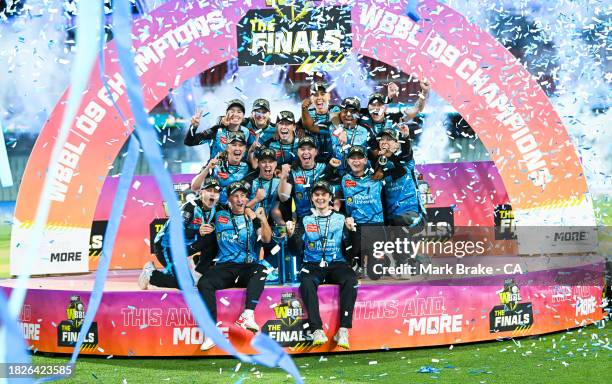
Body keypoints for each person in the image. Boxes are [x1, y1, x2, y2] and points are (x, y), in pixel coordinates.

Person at [197, 181, 272, 351]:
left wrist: (263, 220)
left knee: (261, 269)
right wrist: (201, 228)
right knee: (204, 283)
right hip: (225, 267)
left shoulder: (253, 217)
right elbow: (204, 205)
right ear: (229, 199)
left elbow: (267, 240)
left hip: (247, 267)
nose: (240, 199)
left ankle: (248, 314)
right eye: (236, 196)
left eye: (243, 196)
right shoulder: (219, 214)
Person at [290, 180, 358, 349]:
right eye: (316, 195)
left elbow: (351, 252)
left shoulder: (341, 219)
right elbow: (294, 250)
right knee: (306, 282)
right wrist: (291, 235)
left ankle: (343, 329)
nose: (320, 198)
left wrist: (352, 233)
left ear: (330, 197)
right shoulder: (304, 220)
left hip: (336, 263)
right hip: (312, 264)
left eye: (324, 195)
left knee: (351, 279)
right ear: (311, 198)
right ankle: (316, 329)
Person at [138, 178, 221, 290]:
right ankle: (150, 274)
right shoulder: (190, 207)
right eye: (209, 190)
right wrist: (198, 231)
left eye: (216, 192)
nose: (213, 194)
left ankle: (198, 272)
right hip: (166, 246)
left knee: (213, 236)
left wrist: (248, 211)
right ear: (201, 192)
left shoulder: (216, 208)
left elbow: (234, 211)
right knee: (186, 284)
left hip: (185, 246)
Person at [340, 145, 407, 278]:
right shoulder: (344, 179)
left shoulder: (377, 177)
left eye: (360, 158)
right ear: (347, 161)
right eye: (352, 158)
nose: (356, 161)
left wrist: (390, 156)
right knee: (354, 270)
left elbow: (402, 171)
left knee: (374, 274)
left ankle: (387, 261)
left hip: (376, 226)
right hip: (355, 227)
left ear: (366, 160)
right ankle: (356, 263)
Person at [278, 136, 340, 269]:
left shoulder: (325, 167)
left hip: (325, 216)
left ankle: (333, 269)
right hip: (304, 219)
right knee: (296, 246)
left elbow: (338, 191)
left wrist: (336, 206)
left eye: (310, 149)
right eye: (302, 149)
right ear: (297, 152)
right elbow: (283, 197)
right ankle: (305, 271)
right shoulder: (293, 171)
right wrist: (283, 176)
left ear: (316, 152)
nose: (306, 152)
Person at [191, 131, 253, 205]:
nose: (237, 148)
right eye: (234, 145)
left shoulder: (247, 167)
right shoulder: (215, 164)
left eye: (240, 145)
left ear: (245, 149)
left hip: (235, 209)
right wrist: (207, 168)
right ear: (227, 148)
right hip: (213, 206)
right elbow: (195, 187)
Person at [184, 99, 253, 158]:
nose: (235, 114)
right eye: (232, 111)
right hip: (215, 171)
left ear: (243, 116)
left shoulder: (246, 131)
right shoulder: (216, 131)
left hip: (238, 172)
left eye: (239, 112)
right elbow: (189, 142)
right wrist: (193, 127)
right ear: (226, 114)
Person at [329, 97, 372, 174]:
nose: (348, 114)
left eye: (352, 112)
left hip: (359, 175)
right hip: (336, 173)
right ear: (340, 113)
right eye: (345, 111)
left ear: (358, 114)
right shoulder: (332, 128)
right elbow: (332, 114)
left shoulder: (365, 131)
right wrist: (340, 130)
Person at [300, 81, 339, 162]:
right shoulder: (307, 113)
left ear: (329, 96)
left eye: (323, 94)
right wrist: (299, 128)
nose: (319, 98)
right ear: (311, 98)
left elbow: (335, 120)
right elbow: (298, 125)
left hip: (335, 158)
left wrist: (339, 129)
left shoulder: (335, 109)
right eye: (315, 95)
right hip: (314, 161)